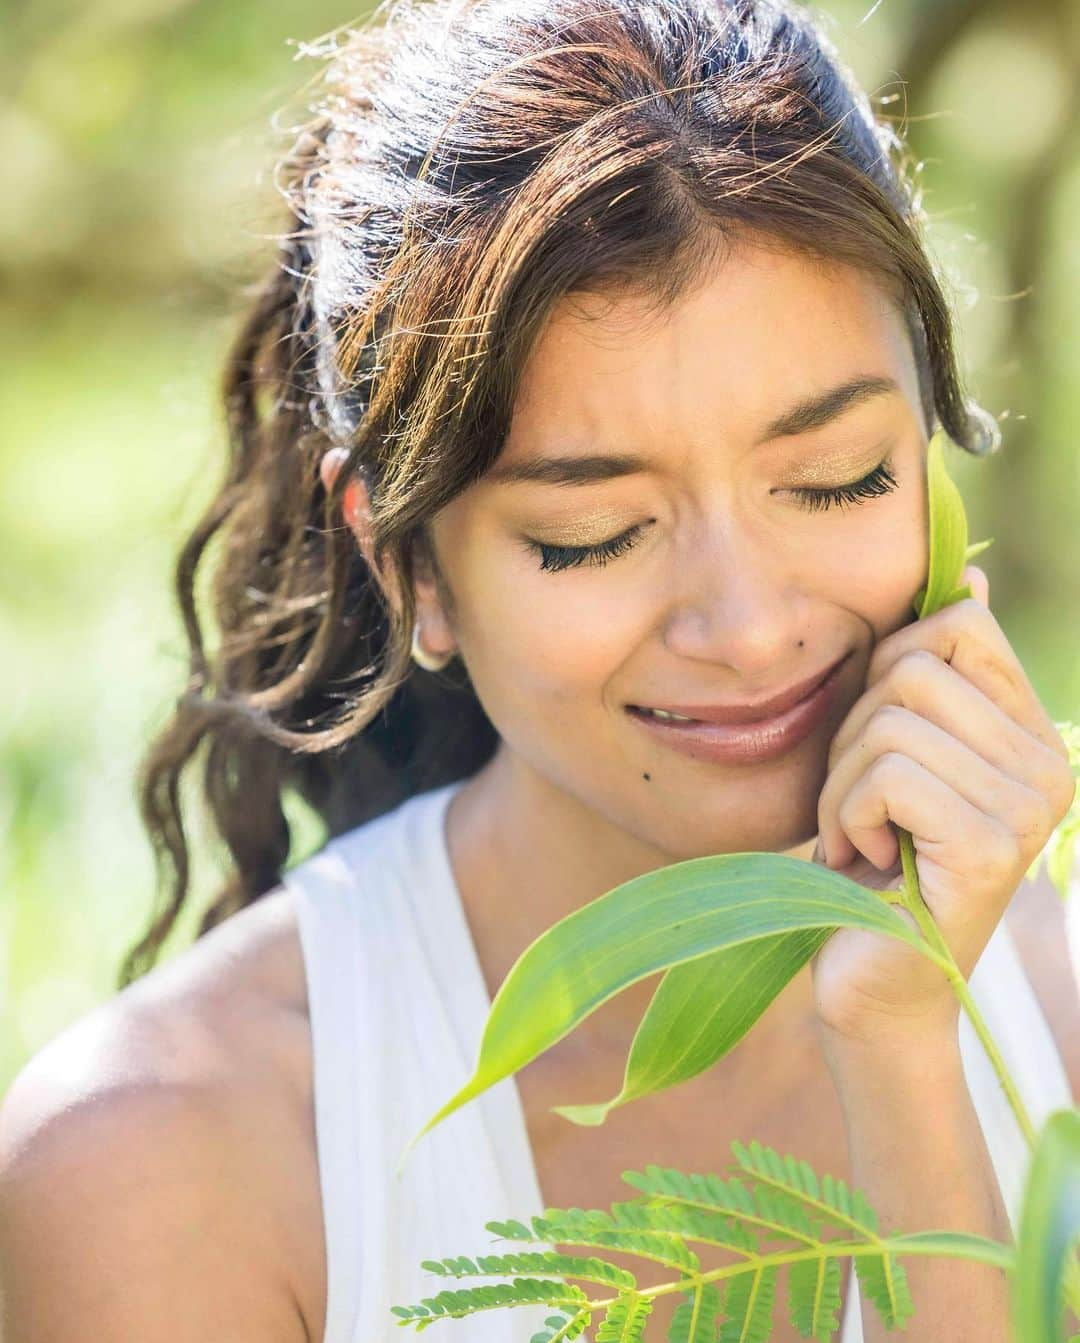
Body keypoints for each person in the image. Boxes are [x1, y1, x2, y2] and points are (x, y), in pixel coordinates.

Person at [1, 0, 1077, 1339]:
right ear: (412, 571)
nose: (746, 625)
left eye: (837, 478)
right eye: (591, 535)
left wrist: (905, 1051)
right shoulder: (163, 1163)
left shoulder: (1059, 1018)